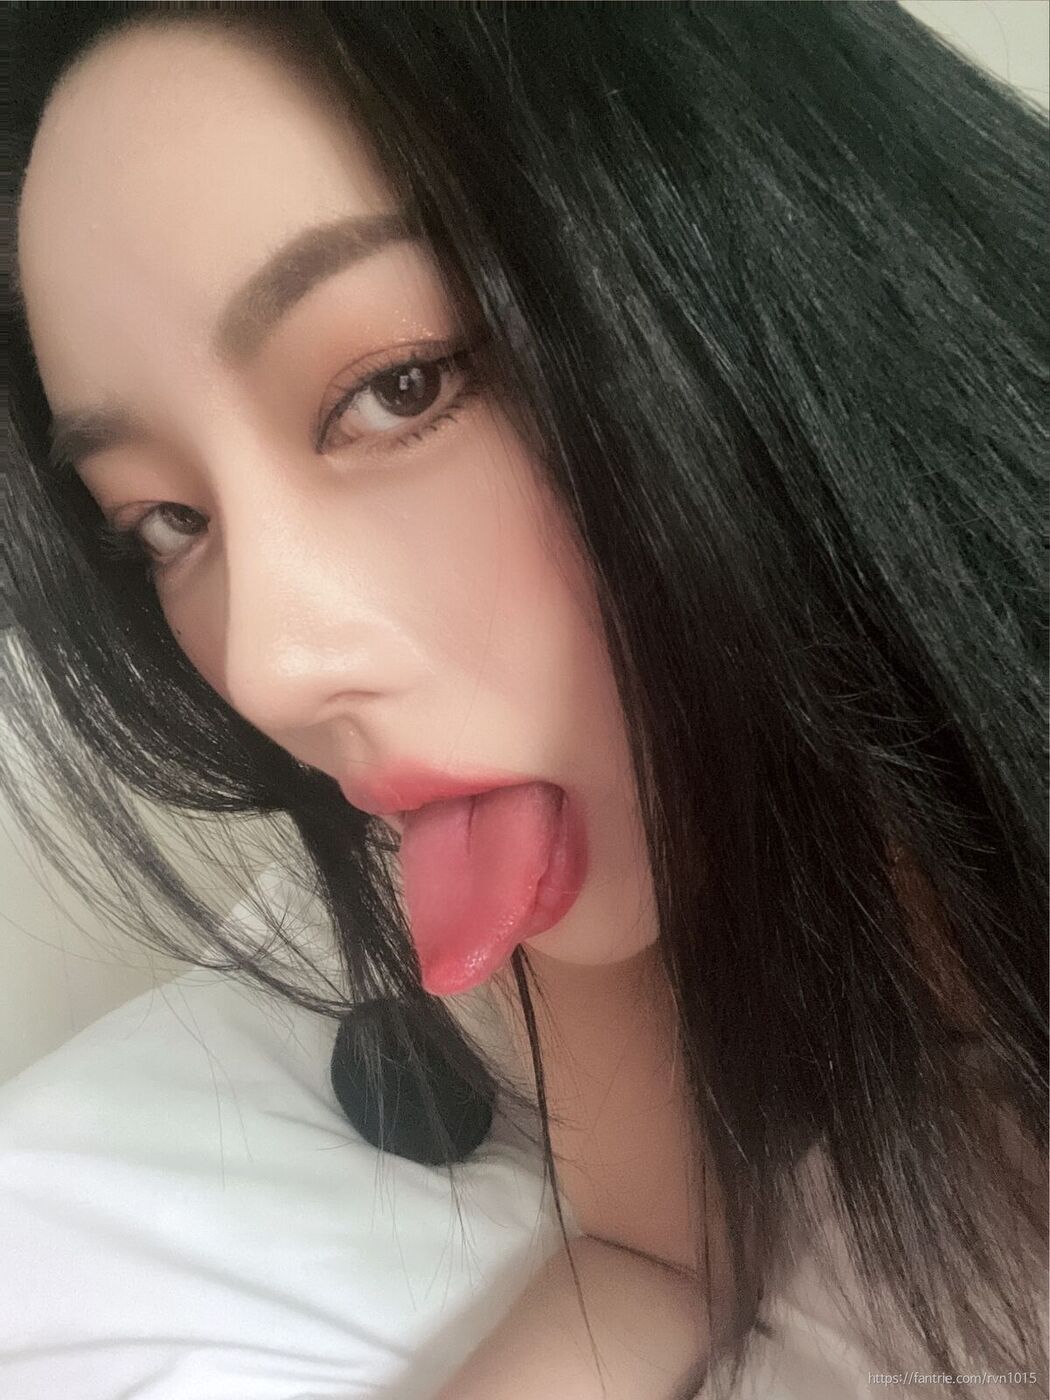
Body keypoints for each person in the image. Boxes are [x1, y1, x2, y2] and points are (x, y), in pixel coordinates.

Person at [4, 3, 1047, 1398]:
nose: (266, 666)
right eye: (165, 522)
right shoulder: (602, 782)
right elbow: (652, 1251)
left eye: (399, 387)